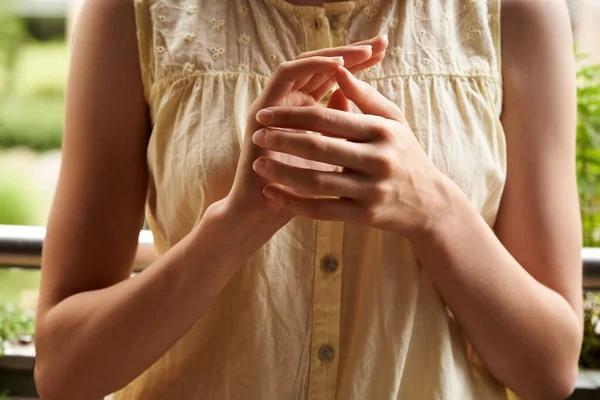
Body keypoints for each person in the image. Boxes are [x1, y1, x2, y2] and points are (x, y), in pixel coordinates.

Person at [33, 0, 583, 399]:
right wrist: (233, 226)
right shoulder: (133, 12)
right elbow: (64, 369)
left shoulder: (519, 14)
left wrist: (435, 210)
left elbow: (550, 367)